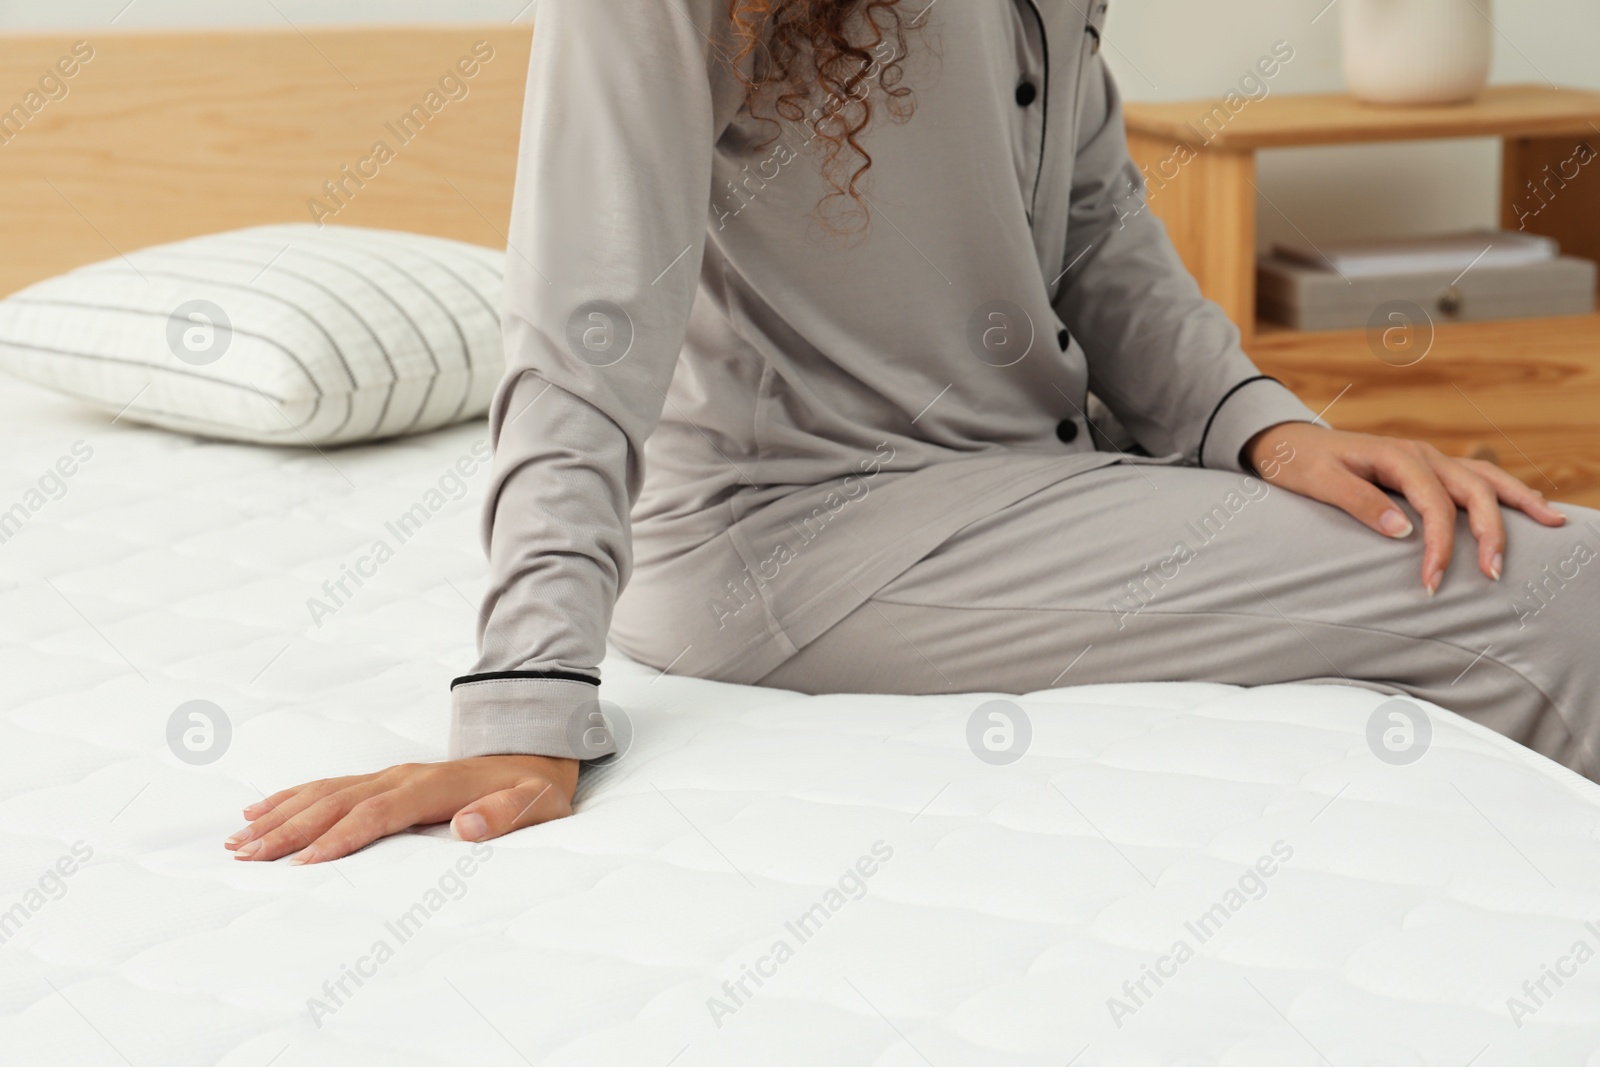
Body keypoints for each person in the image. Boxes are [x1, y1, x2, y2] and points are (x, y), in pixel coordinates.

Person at [225, 0, 1594, 865]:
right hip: (794, 530)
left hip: (1017, 481)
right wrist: (525, 704)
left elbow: (1098, 226)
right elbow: (586, 327)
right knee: (1557, 588)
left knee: (1515, 553)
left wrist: (1261, 428)